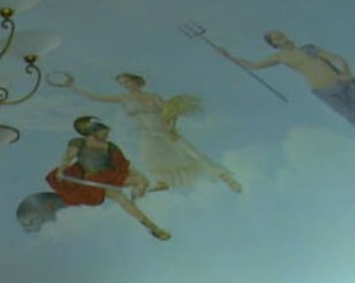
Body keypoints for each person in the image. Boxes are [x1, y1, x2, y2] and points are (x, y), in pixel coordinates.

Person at [229, 31, 355, 149]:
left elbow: (336, 58)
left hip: (342, 81)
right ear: (274, 44)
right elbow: (254, 66)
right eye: (277, 38)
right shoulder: (280, 57)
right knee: (353, 114)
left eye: (282, 35)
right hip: (322, 90)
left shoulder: (308, 48)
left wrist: (346, 72)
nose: (283, 38)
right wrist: (230, 56)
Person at [50, 71, 241, 192]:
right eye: (122, 83)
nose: (125, 86)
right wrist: (73, 87)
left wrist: (171, 127)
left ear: (136, 82)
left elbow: (170, 111)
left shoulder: (152, 96)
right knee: (149, 158)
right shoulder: (123, 98)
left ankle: (226, 178)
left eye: (127, 82)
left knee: (192, 154)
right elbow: (96, 97)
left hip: (163, 130)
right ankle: (163, 181)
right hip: (145, 134)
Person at [43, 116, 171, 240]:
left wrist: (143, 178)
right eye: (103, 131)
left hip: (109, 176)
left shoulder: (110, 147)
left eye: (106, 131)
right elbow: (69, 156)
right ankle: (151, 226)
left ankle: (137, 198)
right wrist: (61, 170)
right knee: (121, 197)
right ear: (92, 132)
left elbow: (125, 164)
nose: (107, 134)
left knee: (141, 181)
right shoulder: (79, 143)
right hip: (92, 180)